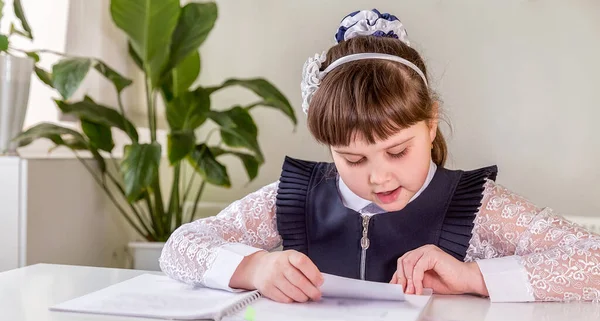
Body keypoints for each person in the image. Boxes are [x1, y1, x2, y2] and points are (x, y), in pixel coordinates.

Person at [159, 9, 600, 303]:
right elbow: (180, 247)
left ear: (430, 124)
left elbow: (593, 260)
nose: (379, 177)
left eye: (397, 151)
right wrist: (254, 267)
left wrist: (472, 277)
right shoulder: (294, 198)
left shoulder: (474, 204)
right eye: (353, 160)